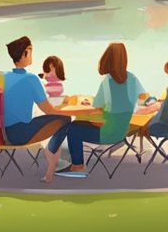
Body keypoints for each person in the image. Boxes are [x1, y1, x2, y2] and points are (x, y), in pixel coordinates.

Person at [49, 42, 149, 177]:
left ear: (107, 59)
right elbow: (143, 98)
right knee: (78, 125)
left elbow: (95, 109)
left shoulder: (107, 81)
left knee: (72, 128)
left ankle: (77, 166)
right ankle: (62, 159)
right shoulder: (132, 78)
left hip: (108, 134)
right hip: (121, 131)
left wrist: (63, 111)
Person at [1, 36, 71, 184]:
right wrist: (65, 111)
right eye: (30, 52)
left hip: (5, 133)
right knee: (65, 120)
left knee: (56, 120)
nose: (31, 55)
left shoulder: (4, 77)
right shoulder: (31, 78)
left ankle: (50, 155)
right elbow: (48, 110)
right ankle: (51, 161)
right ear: (25, 53)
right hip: (22, 134)